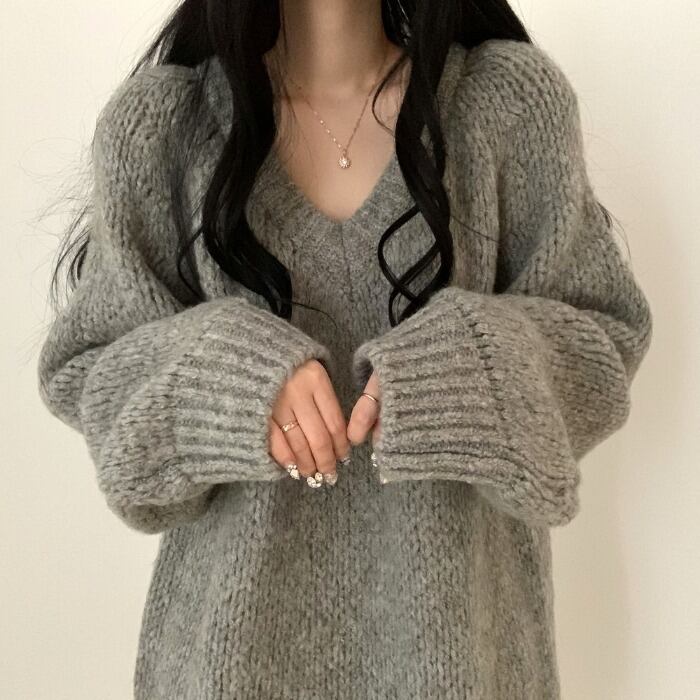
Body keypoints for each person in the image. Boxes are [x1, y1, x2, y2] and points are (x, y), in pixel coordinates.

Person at [36, 1, 653, 697]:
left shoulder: (506, 105)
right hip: (226, 667)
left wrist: (462, 366)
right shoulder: (165, 125)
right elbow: (92, 369)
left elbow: (601, 344)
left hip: (462, 665)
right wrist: (228, 372)